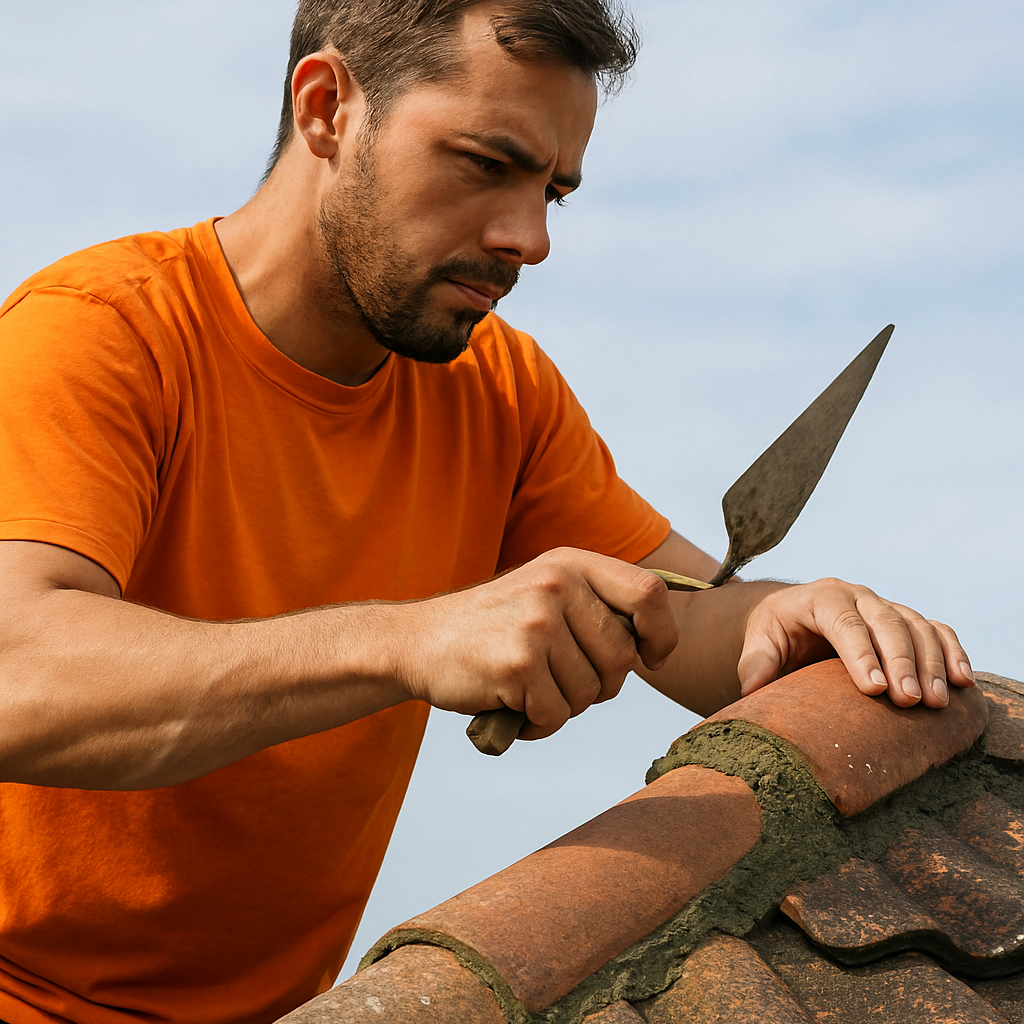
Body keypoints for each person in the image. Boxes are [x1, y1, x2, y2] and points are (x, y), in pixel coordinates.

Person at [0, 1, 974, 1022]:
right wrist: (409, 641)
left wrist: (795, 612)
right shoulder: (100, 337)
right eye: (483, 163)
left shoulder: (493, 391)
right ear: (327, 107)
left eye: (554, 190)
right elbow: (19, 675)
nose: (530, 238)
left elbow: (687, 615)